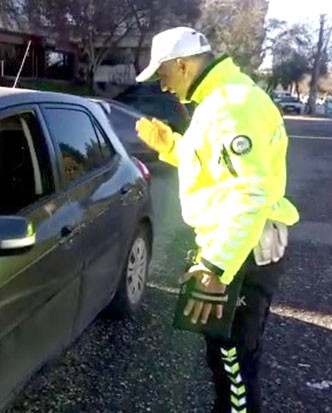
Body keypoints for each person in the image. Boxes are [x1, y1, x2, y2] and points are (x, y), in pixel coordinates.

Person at [134, 27, 300, 412]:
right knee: (227, 360)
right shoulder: (221, 98)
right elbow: (217, 169)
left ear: (182, 64)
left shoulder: (232, 105)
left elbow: (250, 192)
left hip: (240, 254)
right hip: (235, 248)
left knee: (234, 365)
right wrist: (171, 147)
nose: (163, 86)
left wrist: (215, 265)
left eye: (163, 76)